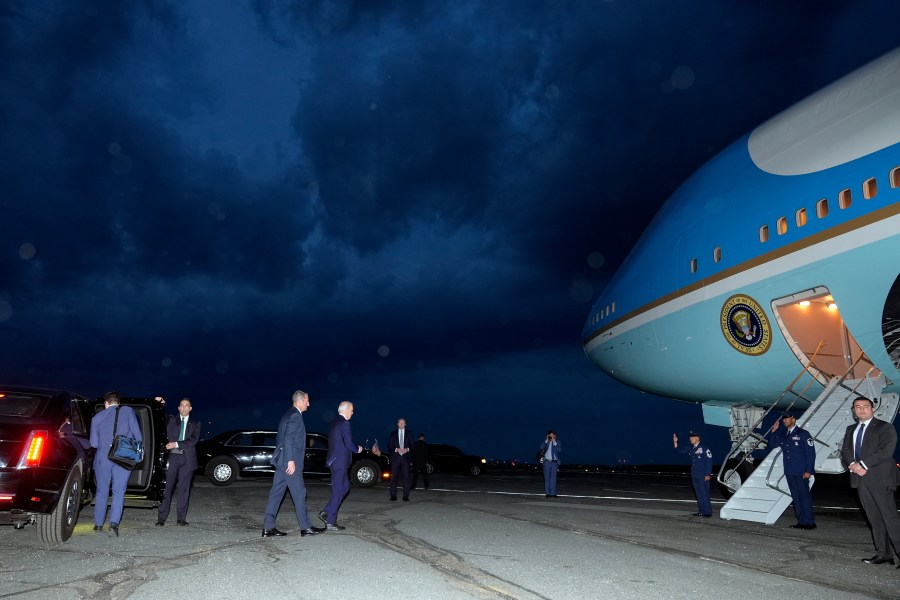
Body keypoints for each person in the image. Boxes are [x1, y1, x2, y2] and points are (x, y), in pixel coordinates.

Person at [840, 396, 900, 566]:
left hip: (880, 477)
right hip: (860, 478)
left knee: (890, 517)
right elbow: (845, 450)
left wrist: (862, 464)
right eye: (857, 407)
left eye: (865, 406)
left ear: (873, 409)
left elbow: (886, 451)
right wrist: (852, 465)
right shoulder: (851, 429)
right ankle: (883, 553)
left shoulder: (884, 427)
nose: (861, 409)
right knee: (874, 518)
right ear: (854, 411)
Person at [262, 390, 325, 538]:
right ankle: (306, 527)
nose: (309, 404)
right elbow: (288, 439)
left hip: (282, 462)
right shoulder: (295, 416)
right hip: (289, 463)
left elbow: (280, 439)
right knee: (300, 493)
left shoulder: (287, 415)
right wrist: (290, 460)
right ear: (300, 400)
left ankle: (268, 527)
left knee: (276, 494)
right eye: (307, 401)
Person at [89, 391, 143, 536]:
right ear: (118, 403)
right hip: (122, 456)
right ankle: (113, 526)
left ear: (106, 403)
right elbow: (137, 434)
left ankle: (98, 525)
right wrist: (140, 453)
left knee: (102, 491)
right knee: (119, 491)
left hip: (103, 458)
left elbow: (94, 444)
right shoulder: (127, 411)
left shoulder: (97, 418)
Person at [156, 397, 201, 527]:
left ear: (190, 408)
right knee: (167, 488)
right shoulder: (171, 420)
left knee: (184, 490)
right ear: (178, 408)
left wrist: (175, 444)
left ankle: (181, 518)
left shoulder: (196, 423)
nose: (184, 407)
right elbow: (159, 418)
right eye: (182, 405)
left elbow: (193, 440)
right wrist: (160, 404)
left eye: (187, 405)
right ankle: (161, 518)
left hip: (187, 460)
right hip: (172, 458)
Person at [767, 413, 816, 529]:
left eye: (787, 418)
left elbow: (810, 454)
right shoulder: (784, 434)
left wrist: (809, 470)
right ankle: (801, 521)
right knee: (796, 496)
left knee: (804, 496)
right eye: (784, 419)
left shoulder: (803, 434)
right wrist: (774, 431)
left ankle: (810, 521)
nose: (784, 421)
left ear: (793, 419)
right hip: (789, 470)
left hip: (801, 471)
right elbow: (772, 444)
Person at [319, 401, 362, 531]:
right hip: (340, 462)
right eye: (352, 410)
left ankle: (326, 512)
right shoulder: (344, 423)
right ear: (346, 409)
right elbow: (348, 443)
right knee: (339, 490)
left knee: (345, 487)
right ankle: (331, 521)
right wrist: (357, 449)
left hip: (336, 460)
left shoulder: (335, 422)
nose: (353, 412)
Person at [674, 431, 712, 518]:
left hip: (703, 474)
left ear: (698, 438)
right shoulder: (691, 448)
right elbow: (680, 451)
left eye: (692, 437)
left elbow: (709, 461)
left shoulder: (704, 448)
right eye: (690, 437)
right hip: (694, 474)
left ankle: (707, 512)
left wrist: (708, 474)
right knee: (698, 493)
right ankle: (701, 511)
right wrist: (675, 442)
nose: (690, 439)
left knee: (704, 493)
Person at [388, 418, 414, 501]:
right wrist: (396, 449)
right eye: (400, 423)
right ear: (397, 424)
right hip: (396, 458)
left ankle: (405, 496)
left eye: (403, 423)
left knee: (406, 477)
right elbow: (389, 445)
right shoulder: (393, 433)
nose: (401, 424)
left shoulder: (409, 433)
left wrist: (407, 449)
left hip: (405, 459)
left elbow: (413, 445)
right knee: (393, 478)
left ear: (405, 424)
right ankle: (393, 496)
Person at [539, 430, 560, 498]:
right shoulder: (546, 442)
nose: (551, 436)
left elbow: (559, 450)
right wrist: (546, 440)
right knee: (547, 478)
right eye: (549, 435)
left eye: (552, 435)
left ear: (554, 435)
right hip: (547, 462)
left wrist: (554, 442)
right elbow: (541, 447)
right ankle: (547, 493)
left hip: (554, 462)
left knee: (553, 478)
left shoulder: (557, 442)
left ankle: (553, 493)